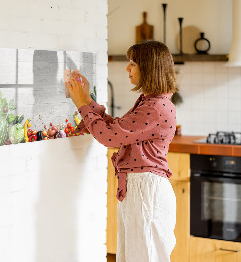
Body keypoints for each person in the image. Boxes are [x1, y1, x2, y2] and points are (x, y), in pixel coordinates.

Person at [65, 40, 178, 262]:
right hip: (140, 189)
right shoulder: (151, 102)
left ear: (149, 67)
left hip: (146, 191)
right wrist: (87, 99)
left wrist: (81, 104)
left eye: (133, 63)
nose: (127, 68)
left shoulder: (155, 107)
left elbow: (109, 137)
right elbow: (117, 129)